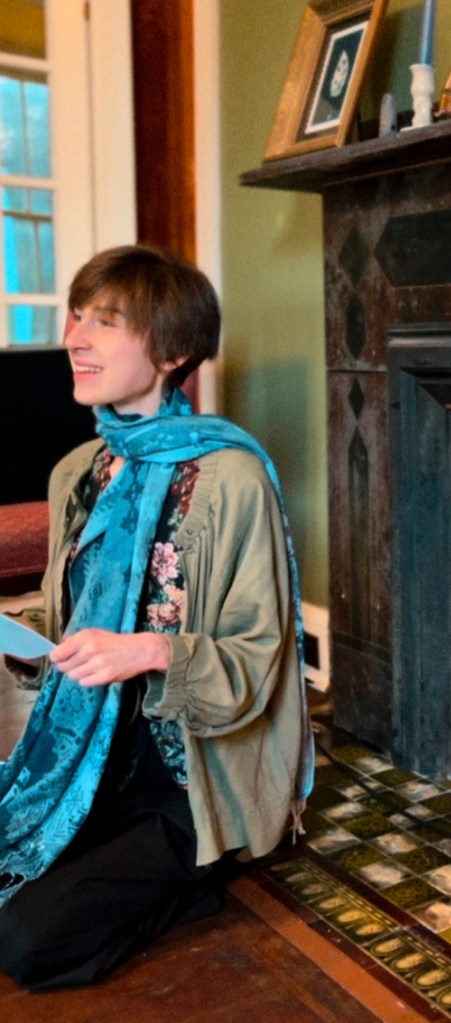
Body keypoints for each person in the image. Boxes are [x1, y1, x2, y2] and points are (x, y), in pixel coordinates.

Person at [0, 244, 314, 990]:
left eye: (105, 322)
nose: (74, 338)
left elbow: (260, 659)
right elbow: (70, 614)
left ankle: (202, 882)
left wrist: (148, 652)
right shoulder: (79, 472)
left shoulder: (233, 479)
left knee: (25, 941)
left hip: (190, 778)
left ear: (173, 352)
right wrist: (29, 637)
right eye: (77, 316)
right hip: (90, 757)